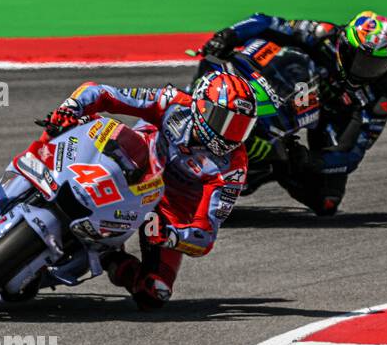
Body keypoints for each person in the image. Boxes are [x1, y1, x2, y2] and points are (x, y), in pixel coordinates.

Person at [40, 71, 256, 309]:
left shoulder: (233, 166)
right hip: (131, 164)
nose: (230, 135)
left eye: (240, 127)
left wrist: (172, 235)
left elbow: (205, 236)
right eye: (225, 121)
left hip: (164, 212)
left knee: (155, 291)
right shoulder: (172, 102)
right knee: (66, 125)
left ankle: (109, 256)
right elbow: (101, 93)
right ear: (201, 107)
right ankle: (29, 175)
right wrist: (71, 108)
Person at [201, 10, 387, 215]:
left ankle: (271, 162)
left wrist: (308, 159)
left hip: (329, 119)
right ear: (346, 47)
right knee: (240, 51)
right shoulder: (324, 36)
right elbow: (267, 22)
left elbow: (352, 154)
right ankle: (210, 102)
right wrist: (228, 35)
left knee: (326, 201)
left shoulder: (379, 98)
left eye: (376, 64)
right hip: (284, 86)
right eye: (361, 61)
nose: (367, 71)